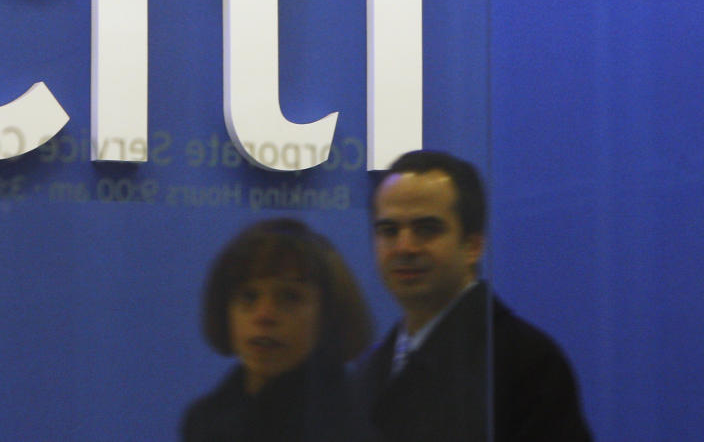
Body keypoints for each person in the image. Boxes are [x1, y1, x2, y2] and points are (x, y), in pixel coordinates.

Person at [362, 150, 592, 442]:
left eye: (427, 229)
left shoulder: (526, 364)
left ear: (473, 245)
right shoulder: (367, 372)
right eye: (389, 230)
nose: (404, 247)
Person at [181, 217, 374, 442]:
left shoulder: (356, 423)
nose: (264, 315)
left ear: (328, 315)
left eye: (289, 297)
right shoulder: (204, 420)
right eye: (248, 297)